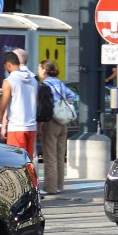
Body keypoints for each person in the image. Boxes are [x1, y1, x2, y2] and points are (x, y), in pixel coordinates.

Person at [37, 58, 78, 196]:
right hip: (63, 121)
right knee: (60, 155)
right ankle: (60, 186)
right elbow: (73, 96)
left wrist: (40, 124)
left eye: (40, 68)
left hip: (51, 121)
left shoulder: (45, 85)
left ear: (45, 70)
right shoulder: (60, 83)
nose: (38, 70)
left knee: (50, 156)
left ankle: (50, 187)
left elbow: (44, 106)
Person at [0, 48, 38, 154]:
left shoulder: (9, 81)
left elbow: (2, 107)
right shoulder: (33, 80)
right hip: (31, 127)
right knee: (28, 162)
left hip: (16, 127)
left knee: (17, 163)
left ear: (8, 65)